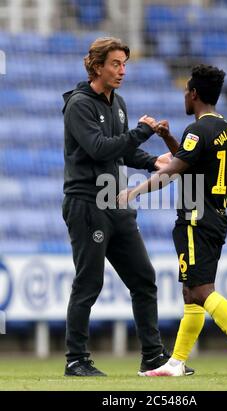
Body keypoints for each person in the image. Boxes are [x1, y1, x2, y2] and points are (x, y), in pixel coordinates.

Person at [118, 64, 227, 377]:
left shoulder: (198, 130)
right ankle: (176, 363)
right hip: (214, 215)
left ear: (195, 94)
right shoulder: (224, 127)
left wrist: (135, 191)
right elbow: (189, 163)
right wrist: (169, 138)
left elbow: (173, 171)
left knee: (201, 290)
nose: (184, 96)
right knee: (191, 292)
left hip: (196, 217)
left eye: (187, 91)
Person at [62, 36, 194, 377]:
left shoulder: (117, 102)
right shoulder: (79, 104)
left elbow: (123, 152)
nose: (122, 70)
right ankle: (76, 359)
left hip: (115, 202)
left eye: (124, 64)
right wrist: (140, 132)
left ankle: (153, 357)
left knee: (144, 279)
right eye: (115, 64)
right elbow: (99, 148)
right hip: (87, 203)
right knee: (89, 283)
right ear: (97, 66)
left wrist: (155, 162)